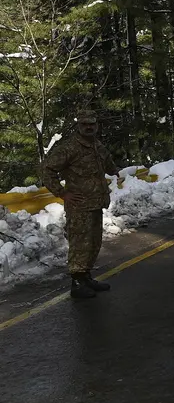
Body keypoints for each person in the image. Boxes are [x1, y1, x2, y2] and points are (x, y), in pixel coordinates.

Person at [40, 111, 117, 299]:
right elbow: (46, 169)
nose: (89, 127)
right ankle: (76, 282)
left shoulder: (96, 145)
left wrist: (115, 171)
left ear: (96, 125)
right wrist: (62, 193)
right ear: (79, 126)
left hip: (96, 202)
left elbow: (107, 162)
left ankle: (86, 277)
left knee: (93, 242)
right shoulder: (69, 148)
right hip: (79, 205)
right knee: (80, 244)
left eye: (92, 124)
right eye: (85, 124)